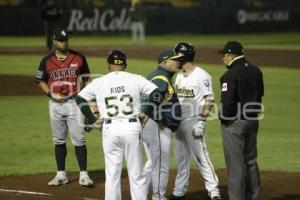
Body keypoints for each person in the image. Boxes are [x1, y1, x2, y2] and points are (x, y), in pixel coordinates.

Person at [76, 50, 162, 200]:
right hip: (131, 127)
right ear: (125, 65)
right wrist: (146, 111)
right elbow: (156, 92)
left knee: (112, 174)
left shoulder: (99, 82)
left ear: (108, 65)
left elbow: (80, 99)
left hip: (110, 129)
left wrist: (91, 119)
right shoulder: (135, 78)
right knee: (136, 174)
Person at [35, 28, 94, 187]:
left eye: (66, 39)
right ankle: (61, 175)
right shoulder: (46, 60)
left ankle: (84, 175)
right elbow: (40, 80)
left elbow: (87, 79)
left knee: (79, 139)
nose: (64, 42)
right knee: (59, 140)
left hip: (75, 103)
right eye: (61, 40)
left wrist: (86, 98)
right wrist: (51, 94)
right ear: (54, 41)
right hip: (56, 104)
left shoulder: (79, 57)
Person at [168, 42, 222, 200]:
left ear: (183, 57)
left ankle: (214, 191)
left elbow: (209, 99)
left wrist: (202, 121)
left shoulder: (202, 75)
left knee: (202, 157)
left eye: (177, 57)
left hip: (193, 122)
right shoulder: (178, 76)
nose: (175, 60)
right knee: (181, 160)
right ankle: (179, 192)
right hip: (179, 123)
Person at [218, 41, 264, 200]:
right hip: (253, 120)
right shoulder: (255, 70)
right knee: (251, 161)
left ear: (230, 55)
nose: (222, 58)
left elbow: (228, 104)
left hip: (235, 124)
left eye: (224, 55)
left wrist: (223, 118)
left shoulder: (229, 75)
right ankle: (254, 196)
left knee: (235, 165)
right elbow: (260, 94)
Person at [142, 49, 183, 200]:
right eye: (175, 59)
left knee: (153, 162)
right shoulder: (160, 78)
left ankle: (139, 193)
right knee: (161, 164)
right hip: (158, 127)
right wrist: (158, 119)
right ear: (165, 62)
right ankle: (158, 196)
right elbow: (152, 99)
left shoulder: (160, 76)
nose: (178, 61)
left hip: (155, 126)